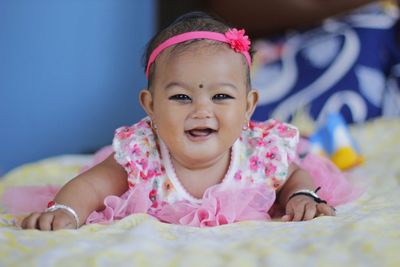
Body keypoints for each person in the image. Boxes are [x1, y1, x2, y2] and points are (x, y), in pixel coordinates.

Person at [20, 11, 343, 230]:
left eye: (220, 97)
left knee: (307, 157)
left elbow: (293, 176)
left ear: (248, 106)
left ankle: (332, 140)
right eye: (180, 97)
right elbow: (91, 185)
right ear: (151, 106)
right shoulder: (142, 155)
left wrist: (302, 195)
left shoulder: (261, 153)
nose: (201, 110)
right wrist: (66, 210)